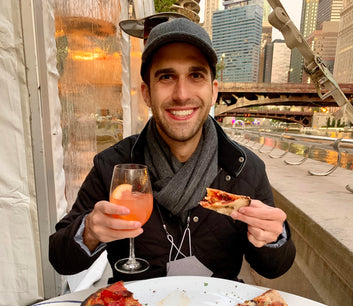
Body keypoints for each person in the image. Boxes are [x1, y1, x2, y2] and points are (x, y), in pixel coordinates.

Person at [49, 17, 296, 283]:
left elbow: (273, 268)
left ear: (213, 92)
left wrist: (274, 237)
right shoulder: (113, 165)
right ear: (146, 93)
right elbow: (61, 259)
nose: (181, 93)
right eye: (166, 77)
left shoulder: (246, 167)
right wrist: (89, 231)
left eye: (196, 75)